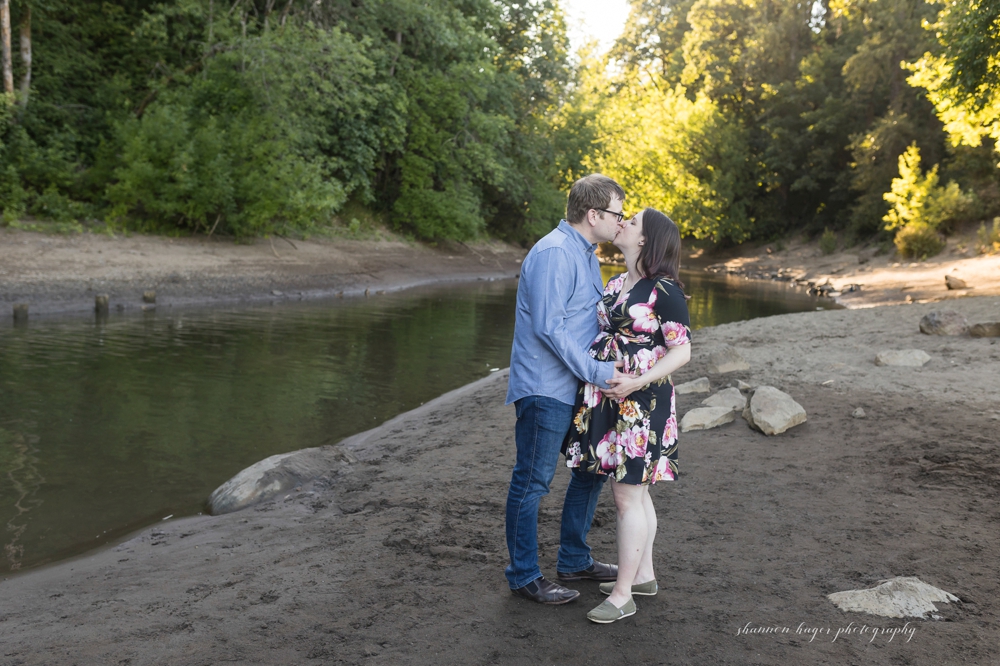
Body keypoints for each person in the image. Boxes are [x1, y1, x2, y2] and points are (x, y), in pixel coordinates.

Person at [562, 208, 692, 623]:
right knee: (637, 493)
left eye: (632, 222)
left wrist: (638, 381)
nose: (624, 223)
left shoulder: (664, 290)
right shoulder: (618, 282)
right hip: (608, 399)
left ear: (645, 241)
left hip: (642, 402)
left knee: (626, 495)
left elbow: (682, 350)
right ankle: (644, 576)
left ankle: (623, 595)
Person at [504, 174, 629, 605]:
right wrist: (596, 372)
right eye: (617, 213)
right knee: (533, 482)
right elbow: (550, 328)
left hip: (575, 387)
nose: (621, 222)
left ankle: (575, 559)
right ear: (593, 214)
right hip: (545, 388)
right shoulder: (556, 253)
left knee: (590, 470)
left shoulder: (585, 254)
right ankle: (523, 575)